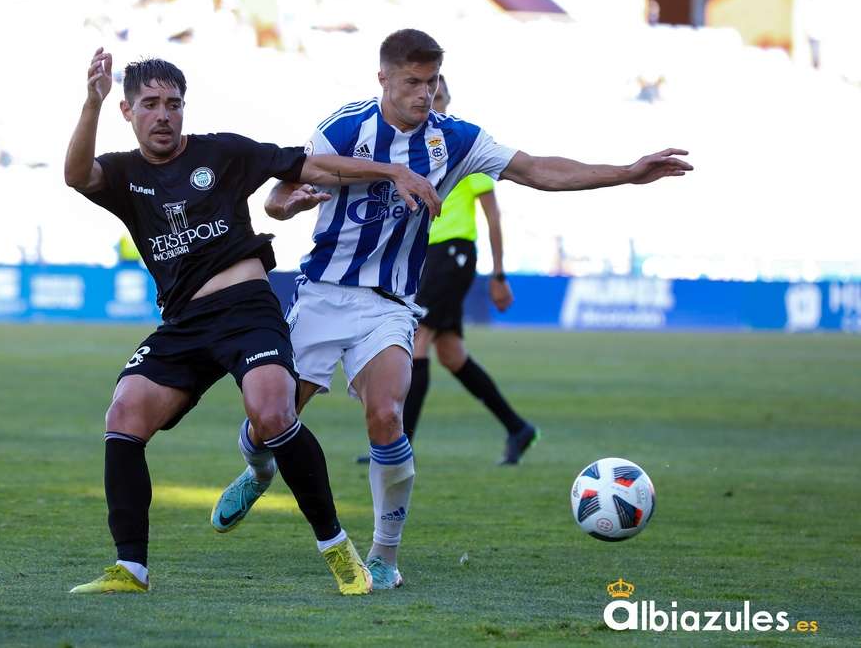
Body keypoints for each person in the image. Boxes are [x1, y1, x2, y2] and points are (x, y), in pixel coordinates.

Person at [213, 29, 692, 590]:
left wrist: (626, 174)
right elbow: (279, 193)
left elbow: (536, 169)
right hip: (322, 293)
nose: (424, 93)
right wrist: (288, 205)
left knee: (387, 413)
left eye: (432, 81)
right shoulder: (344, 128)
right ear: (383, 78)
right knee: (271, 420)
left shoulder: (455, 139)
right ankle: (259, 469)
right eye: (412, 82)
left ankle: (384, 556)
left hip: (389, 304)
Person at [63, 47, 441, 596]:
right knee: (124, 412)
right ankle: (131, 569)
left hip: (247, 311)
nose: (164, 115)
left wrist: (392, 171)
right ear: (128, 110)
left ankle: (337, 549)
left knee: (272, 411)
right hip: (184, 322)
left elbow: (313, 165)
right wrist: (90, 102)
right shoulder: (124, 173)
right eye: (150, 104)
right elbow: (76, 175)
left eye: (174, 104)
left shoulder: (223, 152)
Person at [355, 74, 536, 467]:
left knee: (417, 339)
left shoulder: (465, 151)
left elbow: (493, 217)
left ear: (447, 100)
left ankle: (398, 445)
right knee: (452, 355)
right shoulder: (413, 153)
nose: (430, 102)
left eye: (438, 96)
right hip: (428, 256)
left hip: (453, 254)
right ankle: (518, 427)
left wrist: (499, 274)